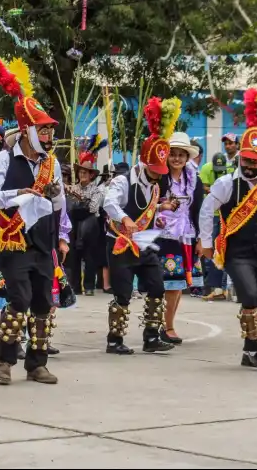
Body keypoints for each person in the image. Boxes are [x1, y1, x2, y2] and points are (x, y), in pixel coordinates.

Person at [0, 56, 67, 385]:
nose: (47, 134)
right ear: (28, 130)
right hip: (12, 240)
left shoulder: (52, 163)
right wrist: (21, 192)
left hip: (42, 241)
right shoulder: (4, 159)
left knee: (44, 303)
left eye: (49, 129)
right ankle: (4, 359)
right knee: (20, 299)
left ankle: (37, 364)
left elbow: (58, 205)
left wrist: (57, 196)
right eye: (42, 128)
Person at [199, 88, 257, 371]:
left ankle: (250, 350)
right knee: (249, 296)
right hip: (236, 251)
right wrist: (206, 243)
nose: (249, 165)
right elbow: (206, 209)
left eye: (254, 161)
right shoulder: (227, 183)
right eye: (245, 160)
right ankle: (253, 350)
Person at [103, 97, 181, 356]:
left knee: (157, 286)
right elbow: (109, 202)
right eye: (155, 169)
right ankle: (114, 340)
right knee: (123, 293)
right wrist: (124, 218)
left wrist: (162, 208)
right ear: (145, 163)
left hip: (144, 241)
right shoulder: (123, 181)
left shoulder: (156, 186)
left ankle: (151, 337)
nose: (159, 174)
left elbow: (148, 211)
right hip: (119, 244)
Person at [155, 132, 204, 345]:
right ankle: (165, 326)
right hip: (163, 234)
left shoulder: (194, 181)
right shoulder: (158, 177)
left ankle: (167, 324)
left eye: (181, 155)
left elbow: (199, 210)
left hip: (186, 235)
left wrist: (201, 239)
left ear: (187, 157)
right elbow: (148, 204)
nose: (177, 159)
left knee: (179, 282)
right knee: (168, 282)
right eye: (173, 154)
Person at [66, 151, 106, 297]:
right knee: (73, 257)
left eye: (86, 172)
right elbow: (69, 206)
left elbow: (93, 208)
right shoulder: (72, 188)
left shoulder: (96, 190)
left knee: (90, 257)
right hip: (74, 224)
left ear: (91, 175)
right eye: (81, 172)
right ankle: (75, 287)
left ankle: (89, 286)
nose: (82, 174)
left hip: (90, 225)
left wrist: (80, 201)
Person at [199, 152, 232, 301]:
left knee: (224, 251)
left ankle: (223, 288)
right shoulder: (206, 168)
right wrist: (216, 190)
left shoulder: (231, 170)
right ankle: (210, 286)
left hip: (227, 217)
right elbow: (203, 188)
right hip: (212, 215)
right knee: (209, 252)